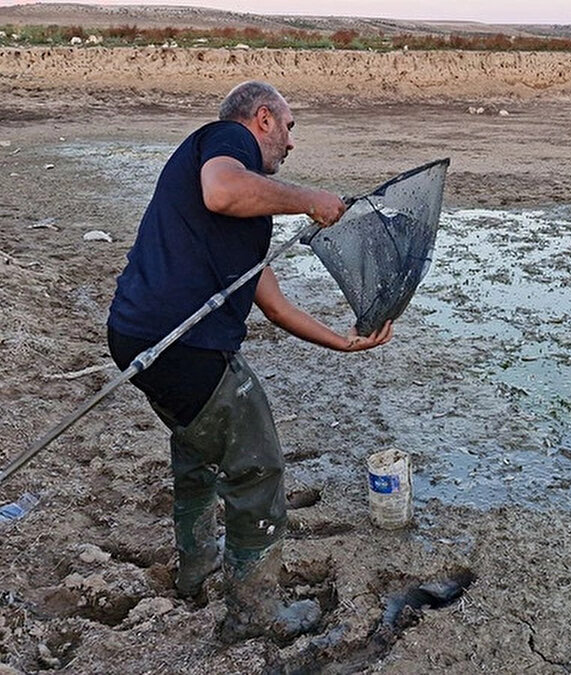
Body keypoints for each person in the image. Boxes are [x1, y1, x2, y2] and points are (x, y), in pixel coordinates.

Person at [106, 80, 393, 643]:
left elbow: (273, 302)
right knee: (256, 466)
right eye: (288, 127)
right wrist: (309, 198)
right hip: (181, 343)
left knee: (195, 446)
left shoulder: (238, 216)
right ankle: (255, 612)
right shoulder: (225, 143)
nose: (290, 143)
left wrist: (341, 342)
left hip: (137, 338)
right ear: (262, 119)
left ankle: (195, 571)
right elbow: (223, 191)